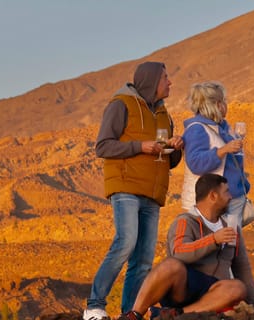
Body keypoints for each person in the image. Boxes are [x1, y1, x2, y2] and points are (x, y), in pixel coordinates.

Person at [85, 61, 185, 320]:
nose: (170, 82)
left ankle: (131, 313)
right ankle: (95, 305)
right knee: (125, 242)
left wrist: (176, 147)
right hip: (126, 186)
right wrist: (141, 146)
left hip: (152, 193)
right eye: (166, 78)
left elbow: (170, 161)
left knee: (143, 258)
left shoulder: (165, 115)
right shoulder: (121, 105)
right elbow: (103, 146)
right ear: (152, 81)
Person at [120, 174, 254, 320]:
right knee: (170, 265)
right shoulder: (185, 222)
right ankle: (134, 314)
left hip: (214, 292)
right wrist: (213, 240)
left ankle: (176, 315)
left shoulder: (231, 227)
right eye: (226, 192)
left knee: (237, 288)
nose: (231, 197)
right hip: (183, 288)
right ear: (213, 196)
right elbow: (179, 252)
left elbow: (242, 268)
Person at [180, 81, 249, 227]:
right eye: (224, 101)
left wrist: (242, 188)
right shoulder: (197, 129)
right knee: (212, 243)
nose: (226, 105)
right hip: (211, 203)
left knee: (231, 244)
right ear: (217, 105)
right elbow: (195, 163)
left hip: (231, 199)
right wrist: (222, 150)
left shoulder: (223, 128)